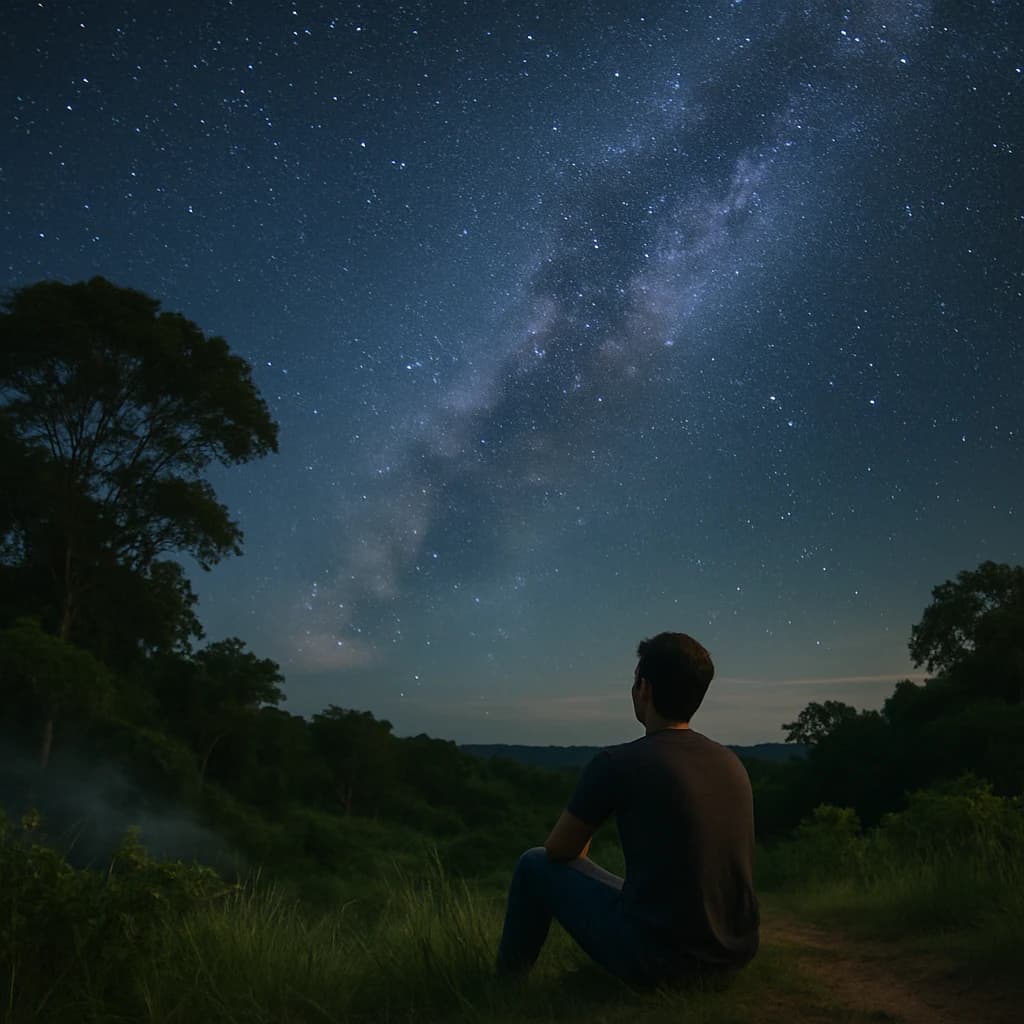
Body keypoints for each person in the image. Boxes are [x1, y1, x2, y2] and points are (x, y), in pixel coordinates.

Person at [496, 632, 759, 987]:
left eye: (635, 680)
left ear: (644, 689)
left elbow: (560, 852)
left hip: (660, 961)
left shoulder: (617, 762)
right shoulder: (730, 762)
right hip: (733, 956)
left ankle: (506, 986)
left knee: (533, 864)